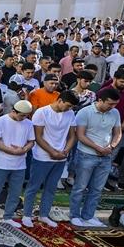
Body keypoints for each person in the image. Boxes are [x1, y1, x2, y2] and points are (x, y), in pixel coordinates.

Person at [22, 90, 78, 228]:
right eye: (68, 105)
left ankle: (44, 215)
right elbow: (38, 136)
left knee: (51, 188)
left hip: (60, 157)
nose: (69, 109)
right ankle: (27, 215)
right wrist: (52, 151)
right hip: (42, 156)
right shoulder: (42, 112)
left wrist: (65, 151)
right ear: (60, 101)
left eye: (71, 107)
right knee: (33, 187)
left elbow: (72, 136)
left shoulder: (70, 114)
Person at [70, 88, 123, 227]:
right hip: (86, 155)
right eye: (110, 104)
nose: (113, 107)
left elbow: (118, 133)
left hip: (106, 155)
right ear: (100, 100)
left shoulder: (115, 112)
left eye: (115, 104)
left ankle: (88, 215)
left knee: (97, 189)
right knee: (80, 187)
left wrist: (111, 147)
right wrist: (97, 148)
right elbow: (80, 135)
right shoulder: (85, 112)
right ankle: (74, 215)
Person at [0, 100, 36, 228]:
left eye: (26, 116)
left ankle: (8, 216)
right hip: (1, 163)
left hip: (20, 164)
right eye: (22, 115)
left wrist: (23, 150)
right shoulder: (0, 121)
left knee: (15, 192)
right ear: (14, 111)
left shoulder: (28, 123)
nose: (24, 118)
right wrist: (12, 151)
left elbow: (31, 141)